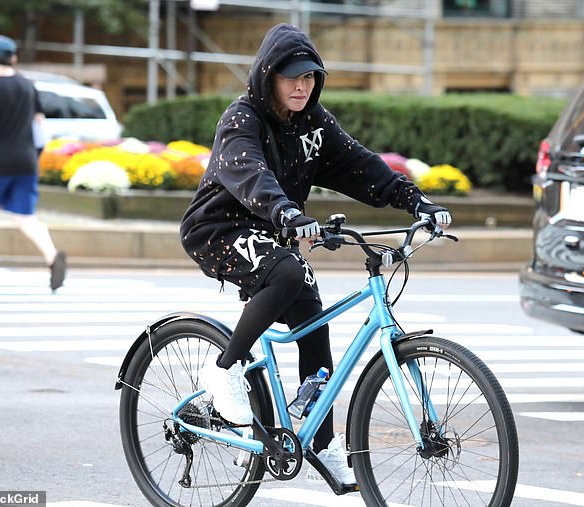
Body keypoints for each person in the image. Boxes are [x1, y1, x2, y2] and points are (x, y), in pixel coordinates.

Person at [180, 23, 451, 485]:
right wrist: (285, 211)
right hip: (220, 229)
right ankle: (224, 367)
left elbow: (358, 164)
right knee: (286, 274)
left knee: (312, 321)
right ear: (268, 78)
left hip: (273, 230)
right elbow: (251, 175)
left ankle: (319, 442)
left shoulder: (314, 122)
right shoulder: (241, 119)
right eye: (291, 77)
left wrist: (416, 201)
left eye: (309, 77)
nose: (302, 86)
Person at [0, 35, 66, 291]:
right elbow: (40, 125)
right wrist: (35, 155)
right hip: (27, 162)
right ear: (13, 59)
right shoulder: (28, 86)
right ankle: (52, 256)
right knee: (25, 218)